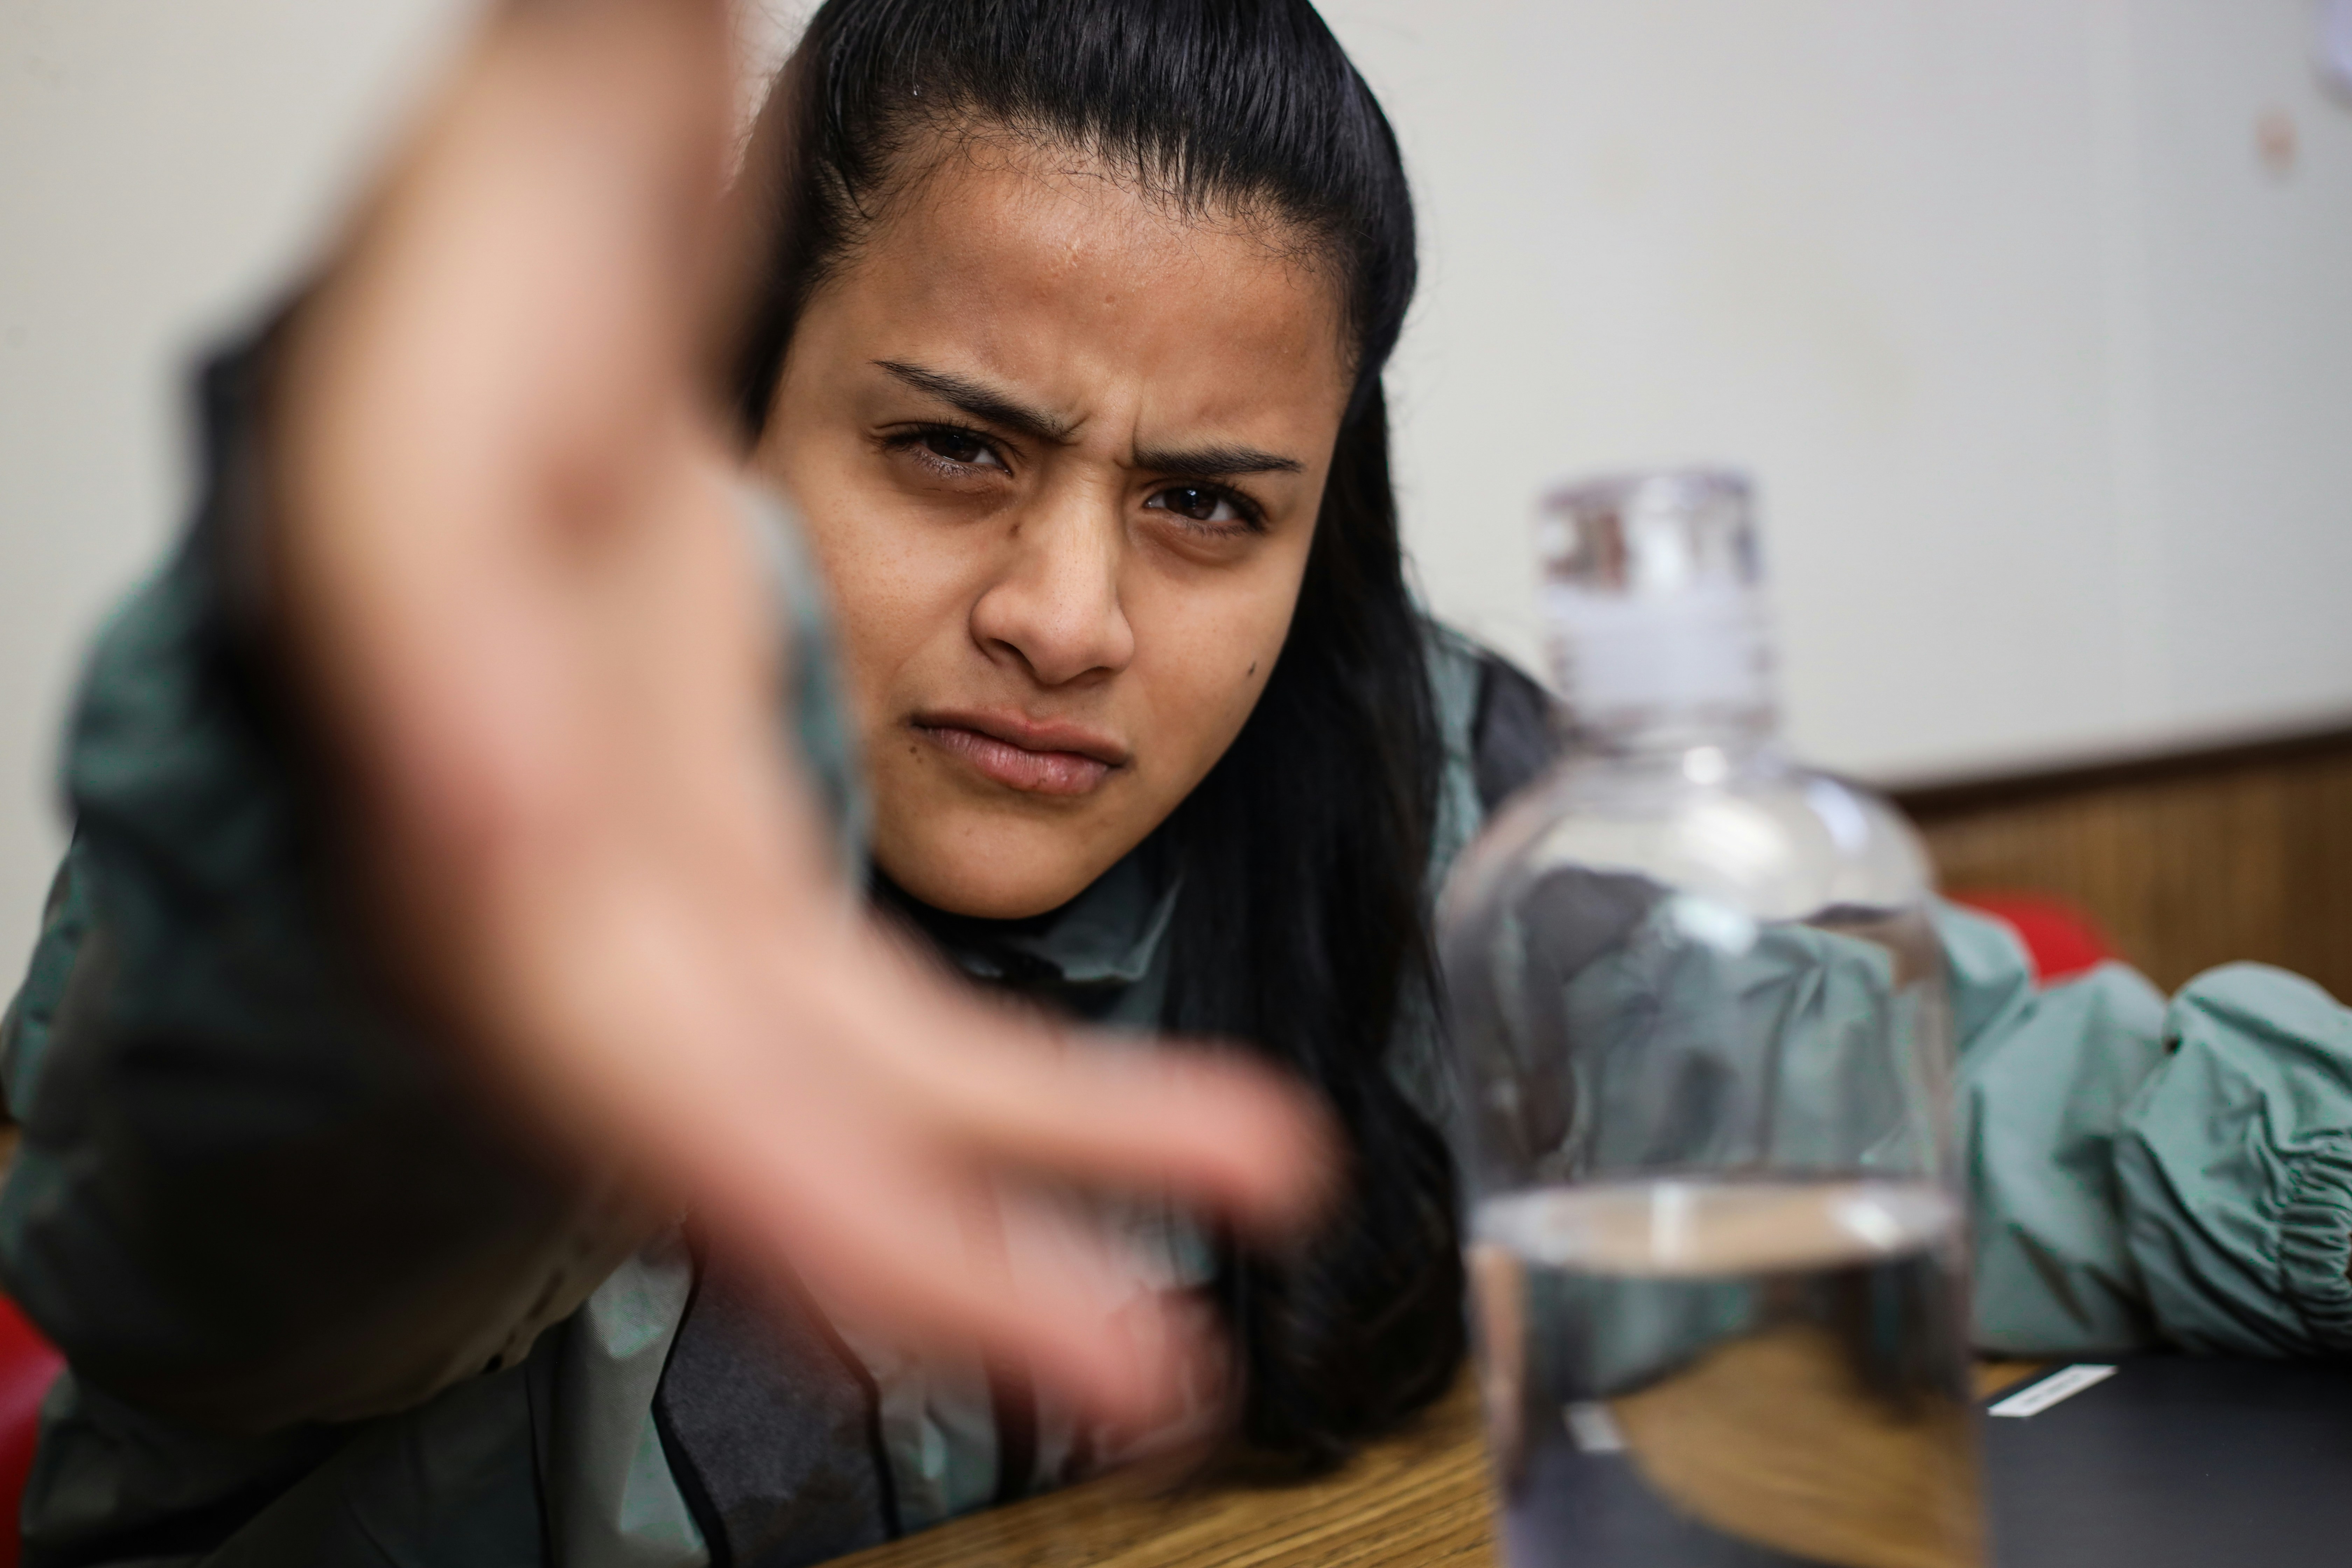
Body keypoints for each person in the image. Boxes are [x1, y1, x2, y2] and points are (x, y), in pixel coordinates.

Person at [3, 0, 2350, 1564]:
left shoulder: (1432, 802)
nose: (1069, 613)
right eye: (950, 449)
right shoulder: (496, 824)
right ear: (733, 389)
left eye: (1210, 503)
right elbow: (226, 1242)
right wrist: (385, 841)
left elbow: (2028, 1116)